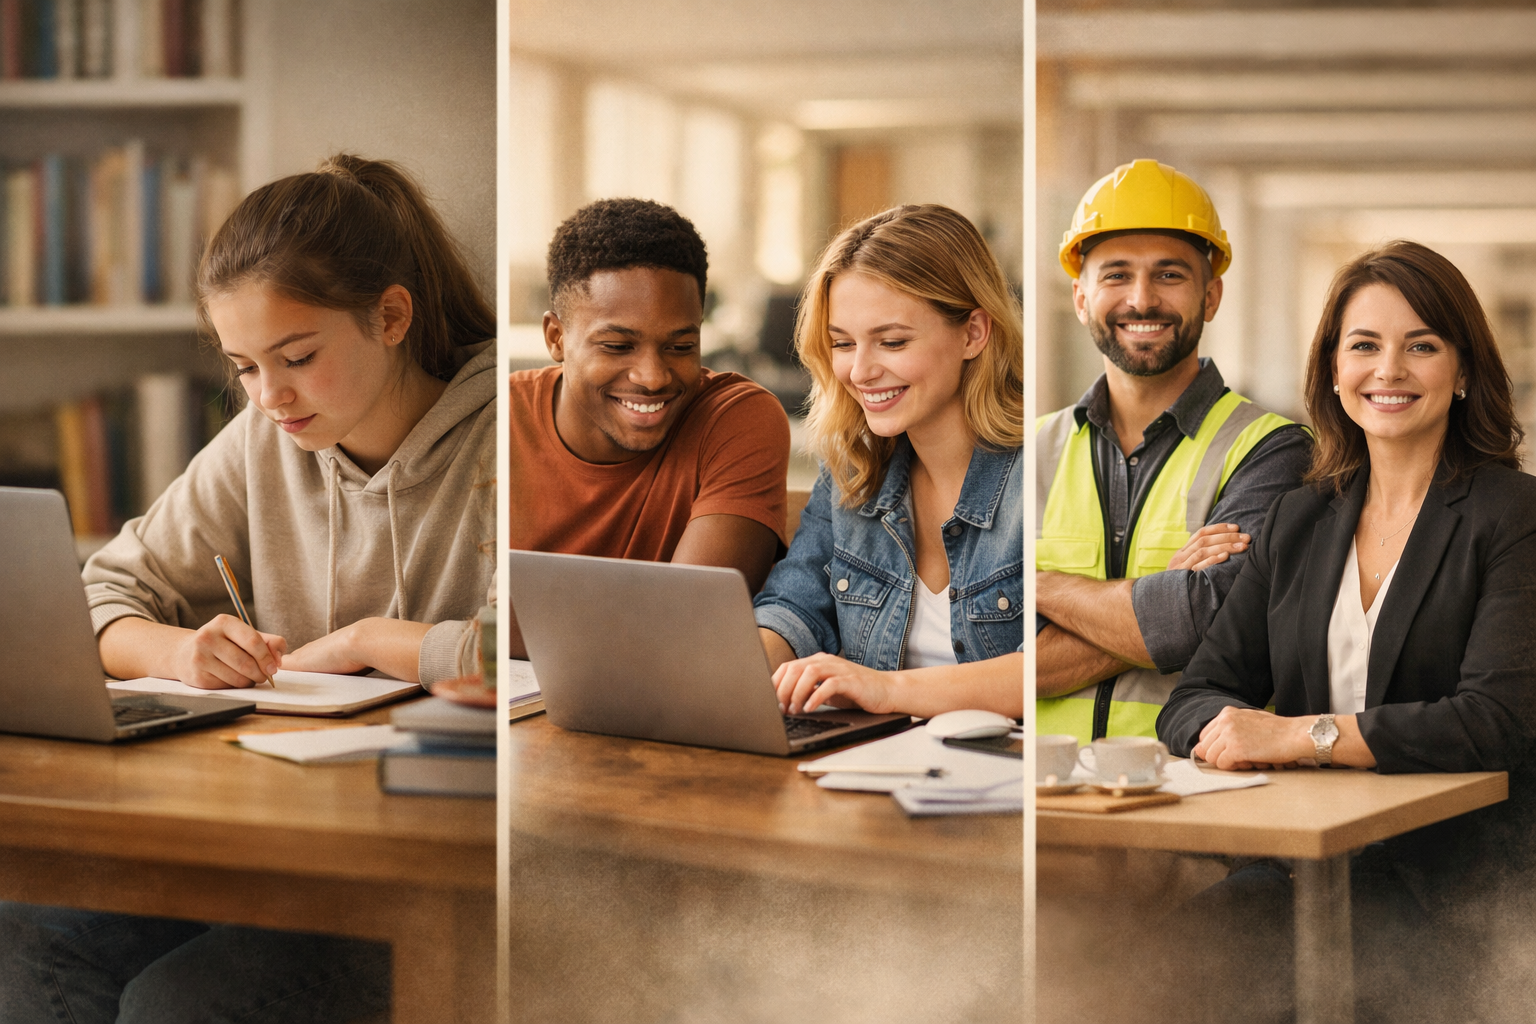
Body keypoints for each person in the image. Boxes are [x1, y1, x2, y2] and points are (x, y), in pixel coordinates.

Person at [0, 155, 497, 1022]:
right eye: (244, 367)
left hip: (436, 863)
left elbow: (537, 647)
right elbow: (103, 590)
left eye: (296, 356)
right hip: (283, 838)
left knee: (178, 1004)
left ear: (390, 316)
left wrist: (367, 641)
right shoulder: (267, 440)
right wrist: (181, 652)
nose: (269, 396)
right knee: (25, 939)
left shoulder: (513, 435)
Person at [1153, 240, 1536, 1022]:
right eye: (1364, 345)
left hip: (1454, 883)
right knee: (1154, 965)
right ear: (1333, 369)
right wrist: (1228, 728)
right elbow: (1196, 694)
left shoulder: (1513, 515)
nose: (1388, 370)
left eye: (1421, 346)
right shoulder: (1302, 518)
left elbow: (1494, 723)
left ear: (1462, 372)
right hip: (1305, 863)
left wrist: (1297, 737)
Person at [1036, 159, 1311, 745]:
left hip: (1192, 787)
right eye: (1116, 275)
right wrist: (1162, 597)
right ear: (1081, 297)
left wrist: (1038, 586)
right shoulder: (1028, 452)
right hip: (1038, 792)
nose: (1142, 300)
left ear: (1210, 296)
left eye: (1168, 275)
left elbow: (1210, 623)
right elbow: (981, 645)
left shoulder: (1272, 452)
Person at [753, 204, 1023, 719]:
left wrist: (886, 690)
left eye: (892, 342)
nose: (859, 371)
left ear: (973, 333)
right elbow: (795, 607)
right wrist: (739, 673)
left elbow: (1050, 662)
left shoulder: (1041, 470)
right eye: (842, 343)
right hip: (880, 761)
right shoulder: (853, 468)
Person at [506, 198, 789, 657]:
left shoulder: (735, 417)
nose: (653, 376)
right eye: (618, 346)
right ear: (556, 338)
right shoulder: (501, 419)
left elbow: (681, 628)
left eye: (681, 346)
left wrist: (486, 638)